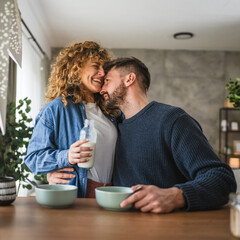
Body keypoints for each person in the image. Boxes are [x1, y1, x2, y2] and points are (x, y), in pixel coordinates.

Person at [48, 57, 237, 213]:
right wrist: (57, 175)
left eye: (107, 80)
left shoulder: (172, 120)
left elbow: (222, 179)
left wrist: (176, 195)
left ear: (129, 79)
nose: (101, 89)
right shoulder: (113, 128)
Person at [24, 41, 119, 198]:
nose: (102, 73)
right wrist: (66, 156)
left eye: (104, 68)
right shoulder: (57, 108)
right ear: (76, 68)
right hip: (77, 193)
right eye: (96, 66)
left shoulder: (111, 111)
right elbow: (33, 159)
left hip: (110, 192)